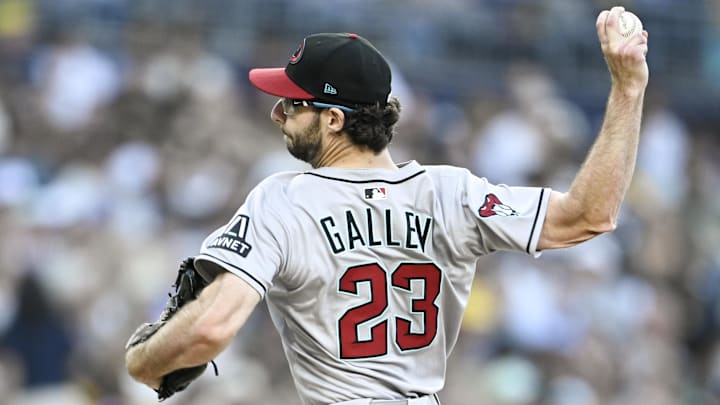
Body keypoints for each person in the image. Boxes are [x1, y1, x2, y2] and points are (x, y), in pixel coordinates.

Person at [126, 6, 649, 405]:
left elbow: (211, 328)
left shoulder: (283, 200)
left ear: (333, 119)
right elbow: (592, 215)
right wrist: (627, 90)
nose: (278, 113)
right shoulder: (453, 193)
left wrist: (143, 361)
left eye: (293, 104)